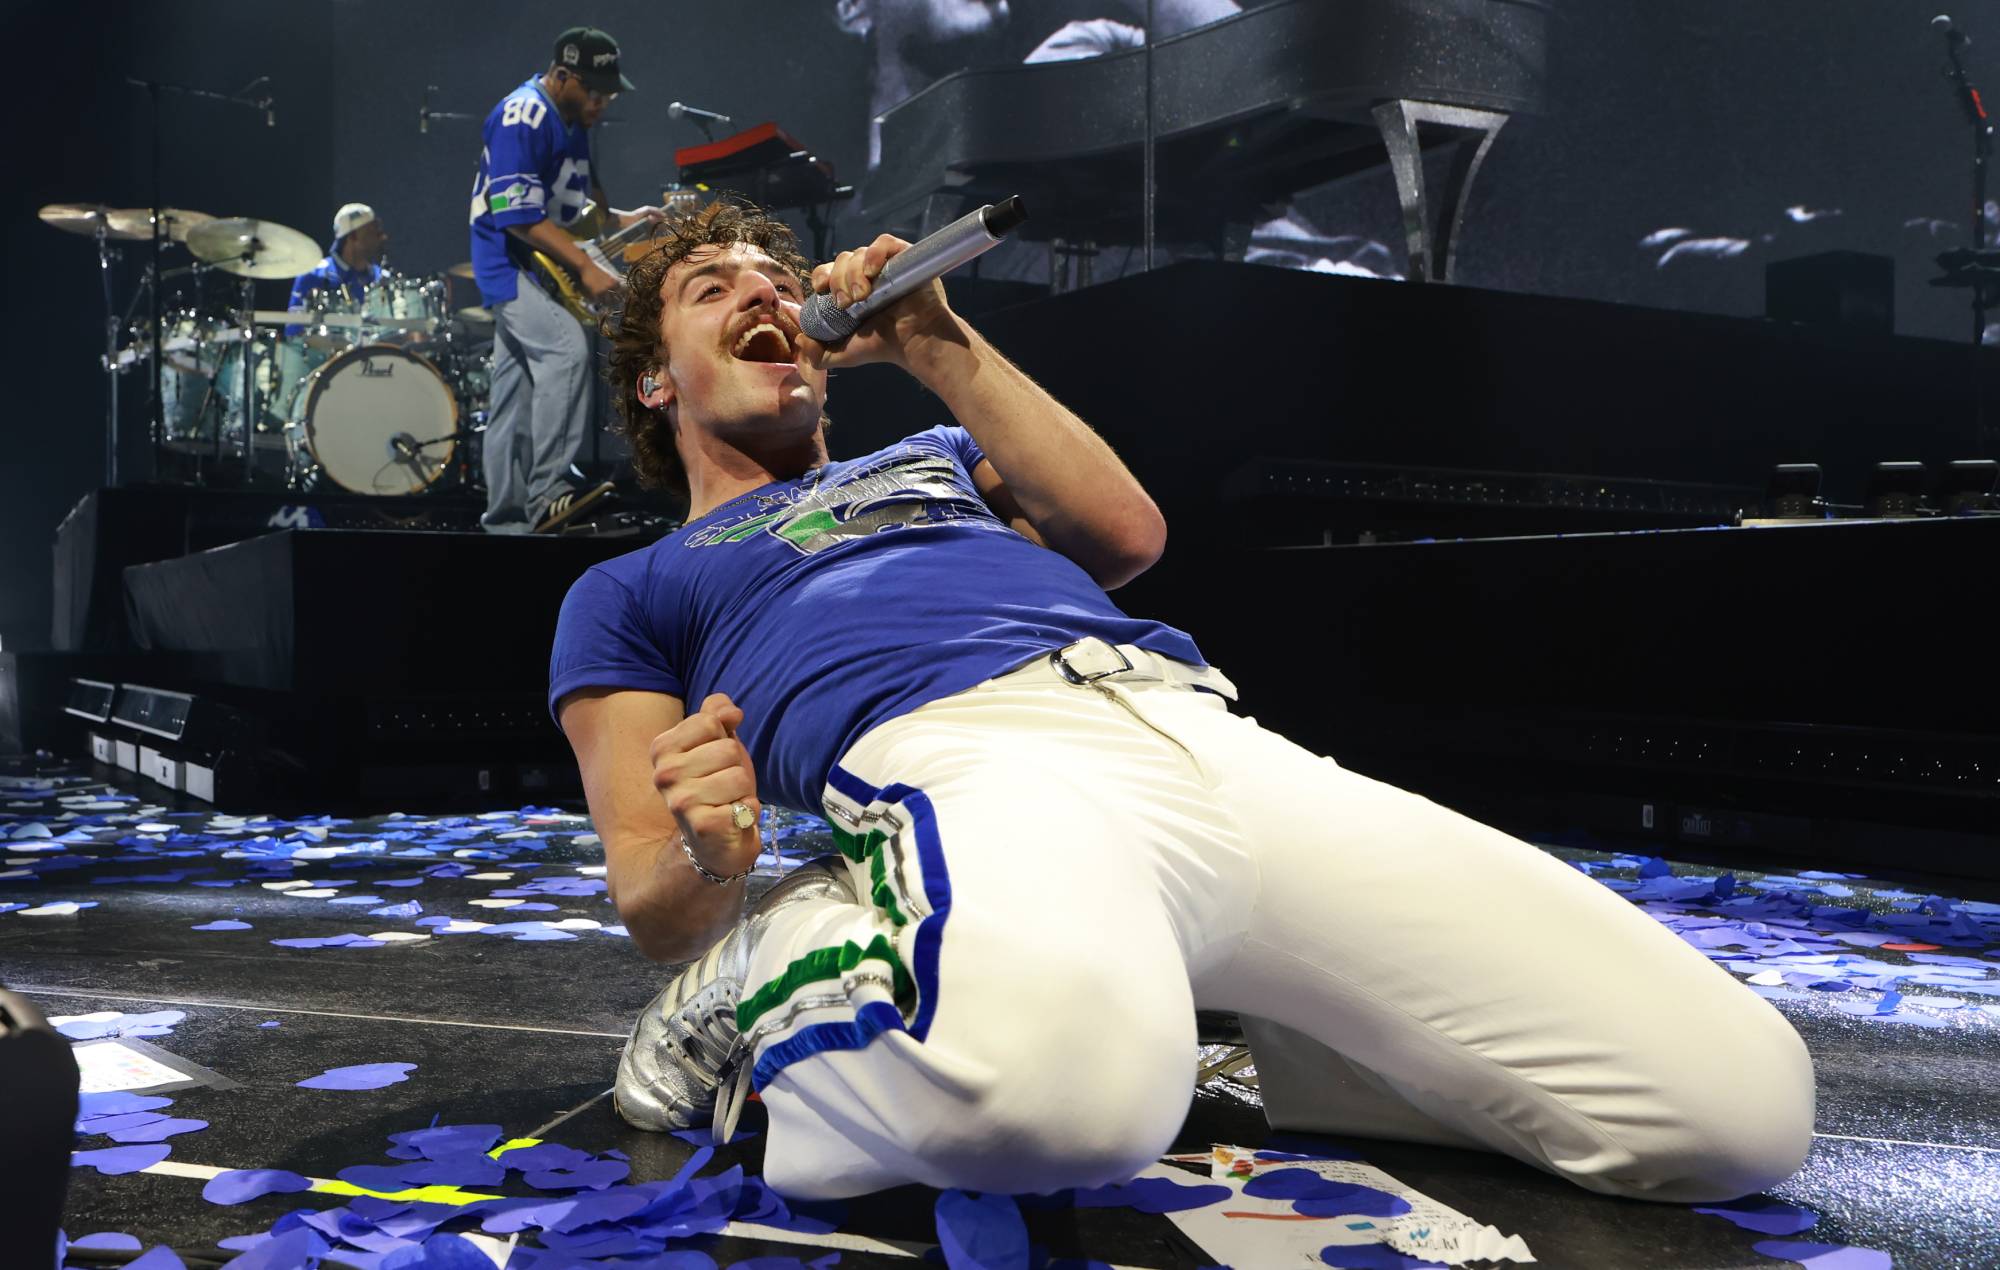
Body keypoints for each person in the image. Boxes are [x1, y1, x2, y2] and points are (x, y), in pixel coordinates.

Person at [549, 199, 1815, 1203]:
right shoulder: (634, 584)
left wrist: (935, 342)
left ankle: (1274, 1025)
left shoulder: (932, 455)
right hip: (970, 764)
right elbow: (655, 900)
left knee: (1732, 1106)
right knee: (1059, 1103)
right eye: (712, 289)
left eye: (776, 280)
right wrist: (715, 862)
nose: (764, 295)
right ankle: (764, 979)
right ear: (655, 384)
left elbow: (1123, 532)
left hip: (1203, 731)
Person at [467, 25, 661, 534]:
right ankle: (548, 491)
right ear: (561, 75)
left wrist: (626, 220)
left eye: (609, 94)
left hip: (534, 262)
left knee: (513, 391)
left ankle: (506, 520)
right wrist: (585, 266)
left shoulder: (572, 119)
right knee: (565, 350)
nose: (602, 103)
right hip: (509, 261)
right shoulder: (523, 114)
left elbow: (577, 208)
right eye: (594, 91)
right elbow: (517, 216)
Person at [288, 203, 388, 313]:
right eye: (372, 232)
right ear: (352, 237)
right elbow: (295, 323)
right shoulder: (313, 275)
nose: (383, 237)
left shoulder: (383, 277)